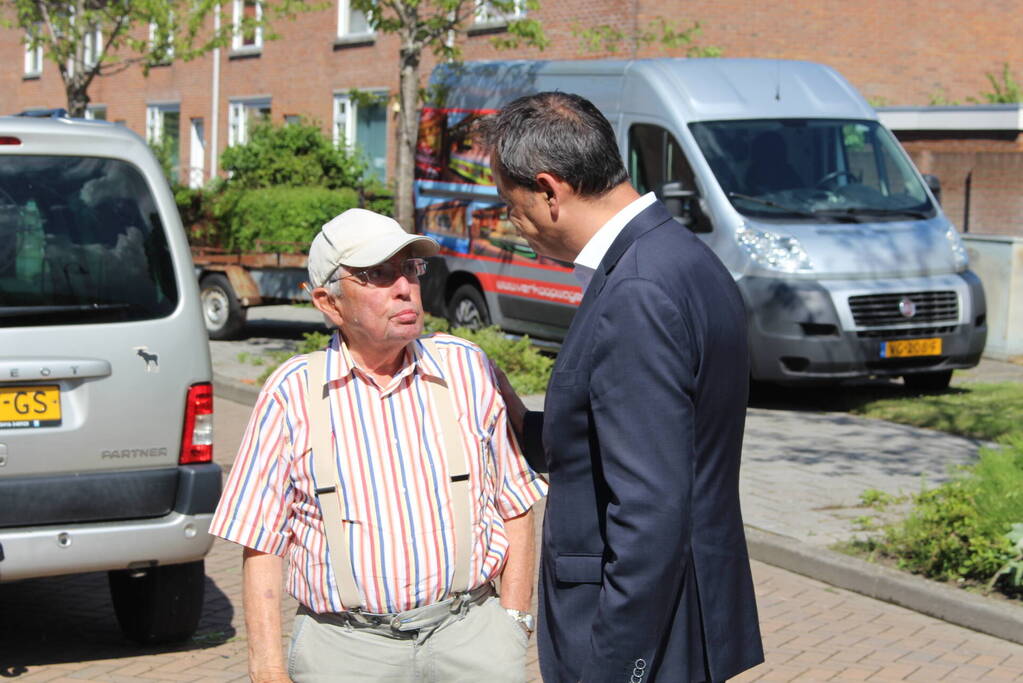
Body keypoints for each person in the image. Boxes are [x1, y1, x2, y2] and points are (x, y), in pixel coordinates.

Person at [478, 93, 764, 683]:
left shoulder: (636, 290)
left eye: (512, 205)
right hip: (688, 611)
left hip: (646, 636)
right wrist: (525, 426)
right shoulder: (684, 257)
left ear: (550, 190)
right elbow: (656, 440)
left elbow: (650, 508)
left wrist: (616, 668)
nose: (514, 222)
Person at [210, 208, 547, 683]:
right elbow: (261, 544)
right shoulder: (292, 393)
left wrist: (512, 623)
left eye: (409, 268)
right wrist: (267, 669)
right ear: (329, 303)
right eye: (377, 275)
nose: (404, 286)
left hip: (472, 638)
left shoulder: (465, 369)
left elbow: (516, 503)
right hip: (346, 651)